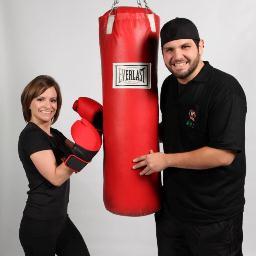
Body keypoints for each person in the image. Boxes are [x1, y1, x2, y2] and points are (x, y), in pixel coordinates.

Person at [133, 18, 247, 256]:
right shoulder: (168, 86)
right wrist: (123, 130)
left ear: (200, 46)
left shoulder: (225, 89)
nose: (177, 56)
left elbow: (223, 154)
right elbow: (174, 130)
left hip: (213, 218)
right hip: (172, 212)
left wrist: (165, 160)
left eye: (185, 46)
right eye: (169, 49)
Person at [18, 75, 102, 256]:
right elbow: (56, 177)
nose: (48, 106)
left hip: (61, 220)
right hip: (39, 224)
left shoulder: (54, 134)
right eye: (40, 99)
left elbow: (84, 151)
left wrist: (99, 128)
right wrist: (81, 155)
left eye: (53, 100)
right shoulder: (32, 136)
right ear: (28, 103)